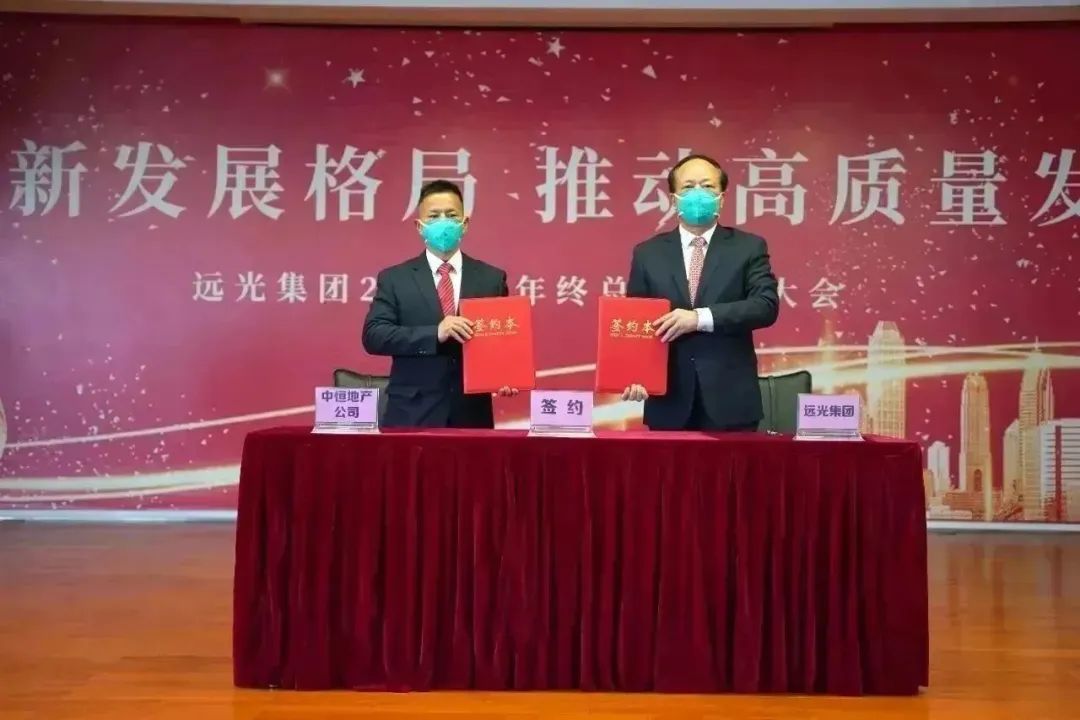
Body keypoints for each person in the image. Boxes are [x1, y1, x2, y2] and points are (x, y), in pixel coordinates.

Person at [623, 154, 779, 431]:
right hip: (668, 400)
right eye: (688, 187)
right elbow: (635, 323)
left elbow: (765, 306)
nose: (698, 193)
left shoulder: (748, 247)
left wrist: (699, 318)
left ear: (722, 198)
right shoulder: (648, 253)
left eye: (707, 186)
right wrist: (635, 375)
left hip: (731, 402)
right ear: (674, 199)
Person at [362, 179, 516, 428]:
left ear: (465, 224)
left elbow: (502, 340)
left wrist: (504, 375)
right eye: (433, 217)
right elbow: (374, 336)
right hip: (411, 416)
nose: (443, 222)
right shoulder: (395, 279)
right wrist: (435, 333)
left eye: (451, 215)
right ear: (419, 226)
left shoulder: (491, 279)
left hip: (471, 417)